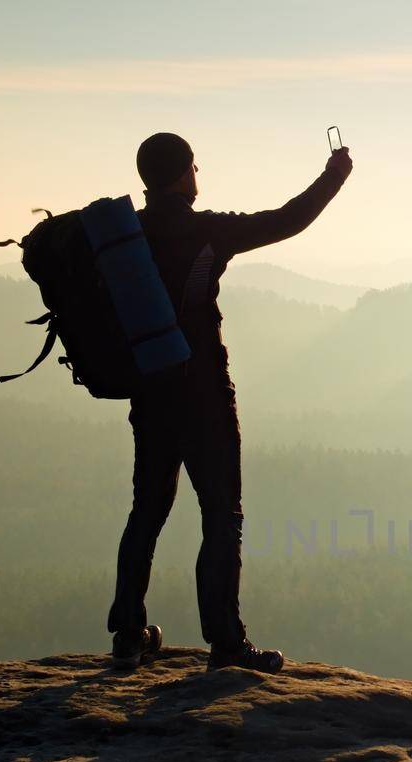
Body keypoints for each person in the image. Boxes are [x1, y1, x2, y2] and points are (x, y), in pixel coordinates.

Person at [108, 132, 352, 671]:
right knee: (221, 515)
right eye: (195, 166)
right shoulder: (206, 230)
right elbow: (287, 219)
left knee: (147, 510)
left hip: (149, 394)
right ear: (180, 176)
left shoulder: (125, 238)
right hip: (203, 396)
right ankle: (225, 643)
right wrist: (335, 176)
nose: (200, 174)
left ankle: (127, 633)